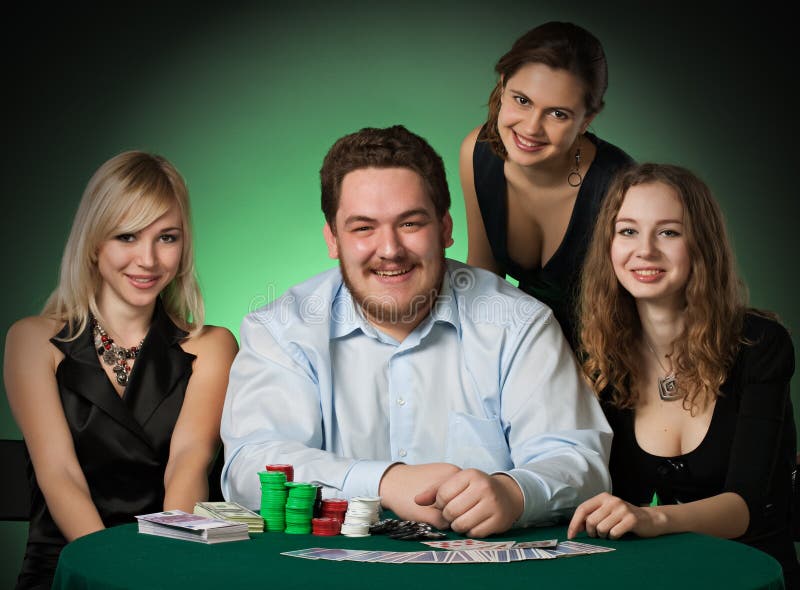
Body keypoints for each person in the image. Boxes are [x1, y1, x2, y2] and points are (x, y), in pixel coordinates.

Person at [221, 125, 611, 538]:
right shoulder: (280, 330)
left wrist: (515, 493)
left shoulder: (519, 323)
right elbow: (250, 467)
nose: (390, 250)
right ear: (333, 239)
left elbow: (578, 460)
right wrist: (384, 481)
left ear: (445, 228)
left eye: (410, 223)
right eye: (363, 228)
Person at [4, 151, 238, 589]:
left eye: (167, 237)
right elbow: (59, 473)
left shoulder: (212, 345)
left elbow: (188, 463)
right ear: (94, 243)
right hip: (69, 566)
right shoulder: (31, 341)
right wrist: (113, 572)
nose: (148, 260)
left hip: (172, 559)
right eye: (127, 236)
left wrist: (161, 564)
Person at [566, 163, 798, 585]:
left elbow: (742, 508)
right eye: (628, 231)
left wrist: (651, 517)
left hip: (755, 575)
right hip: (667, 572)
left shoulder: (760, 345)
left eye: (668, 232)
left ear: (701, 244)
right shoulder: (603, 359)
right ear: (609, 246)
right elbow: (616, 503)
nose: (645, 251)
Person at [460, 21, 633, 349]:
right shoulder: (477, 152)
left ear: (586, 121)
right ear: (503, 84)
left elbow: (644, 316)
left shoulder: (622, 187)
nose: (531, 128)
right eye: (522, 100)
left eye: (557, 114)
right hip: (527, 348)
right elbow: (484, 282)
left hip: (613, 359)